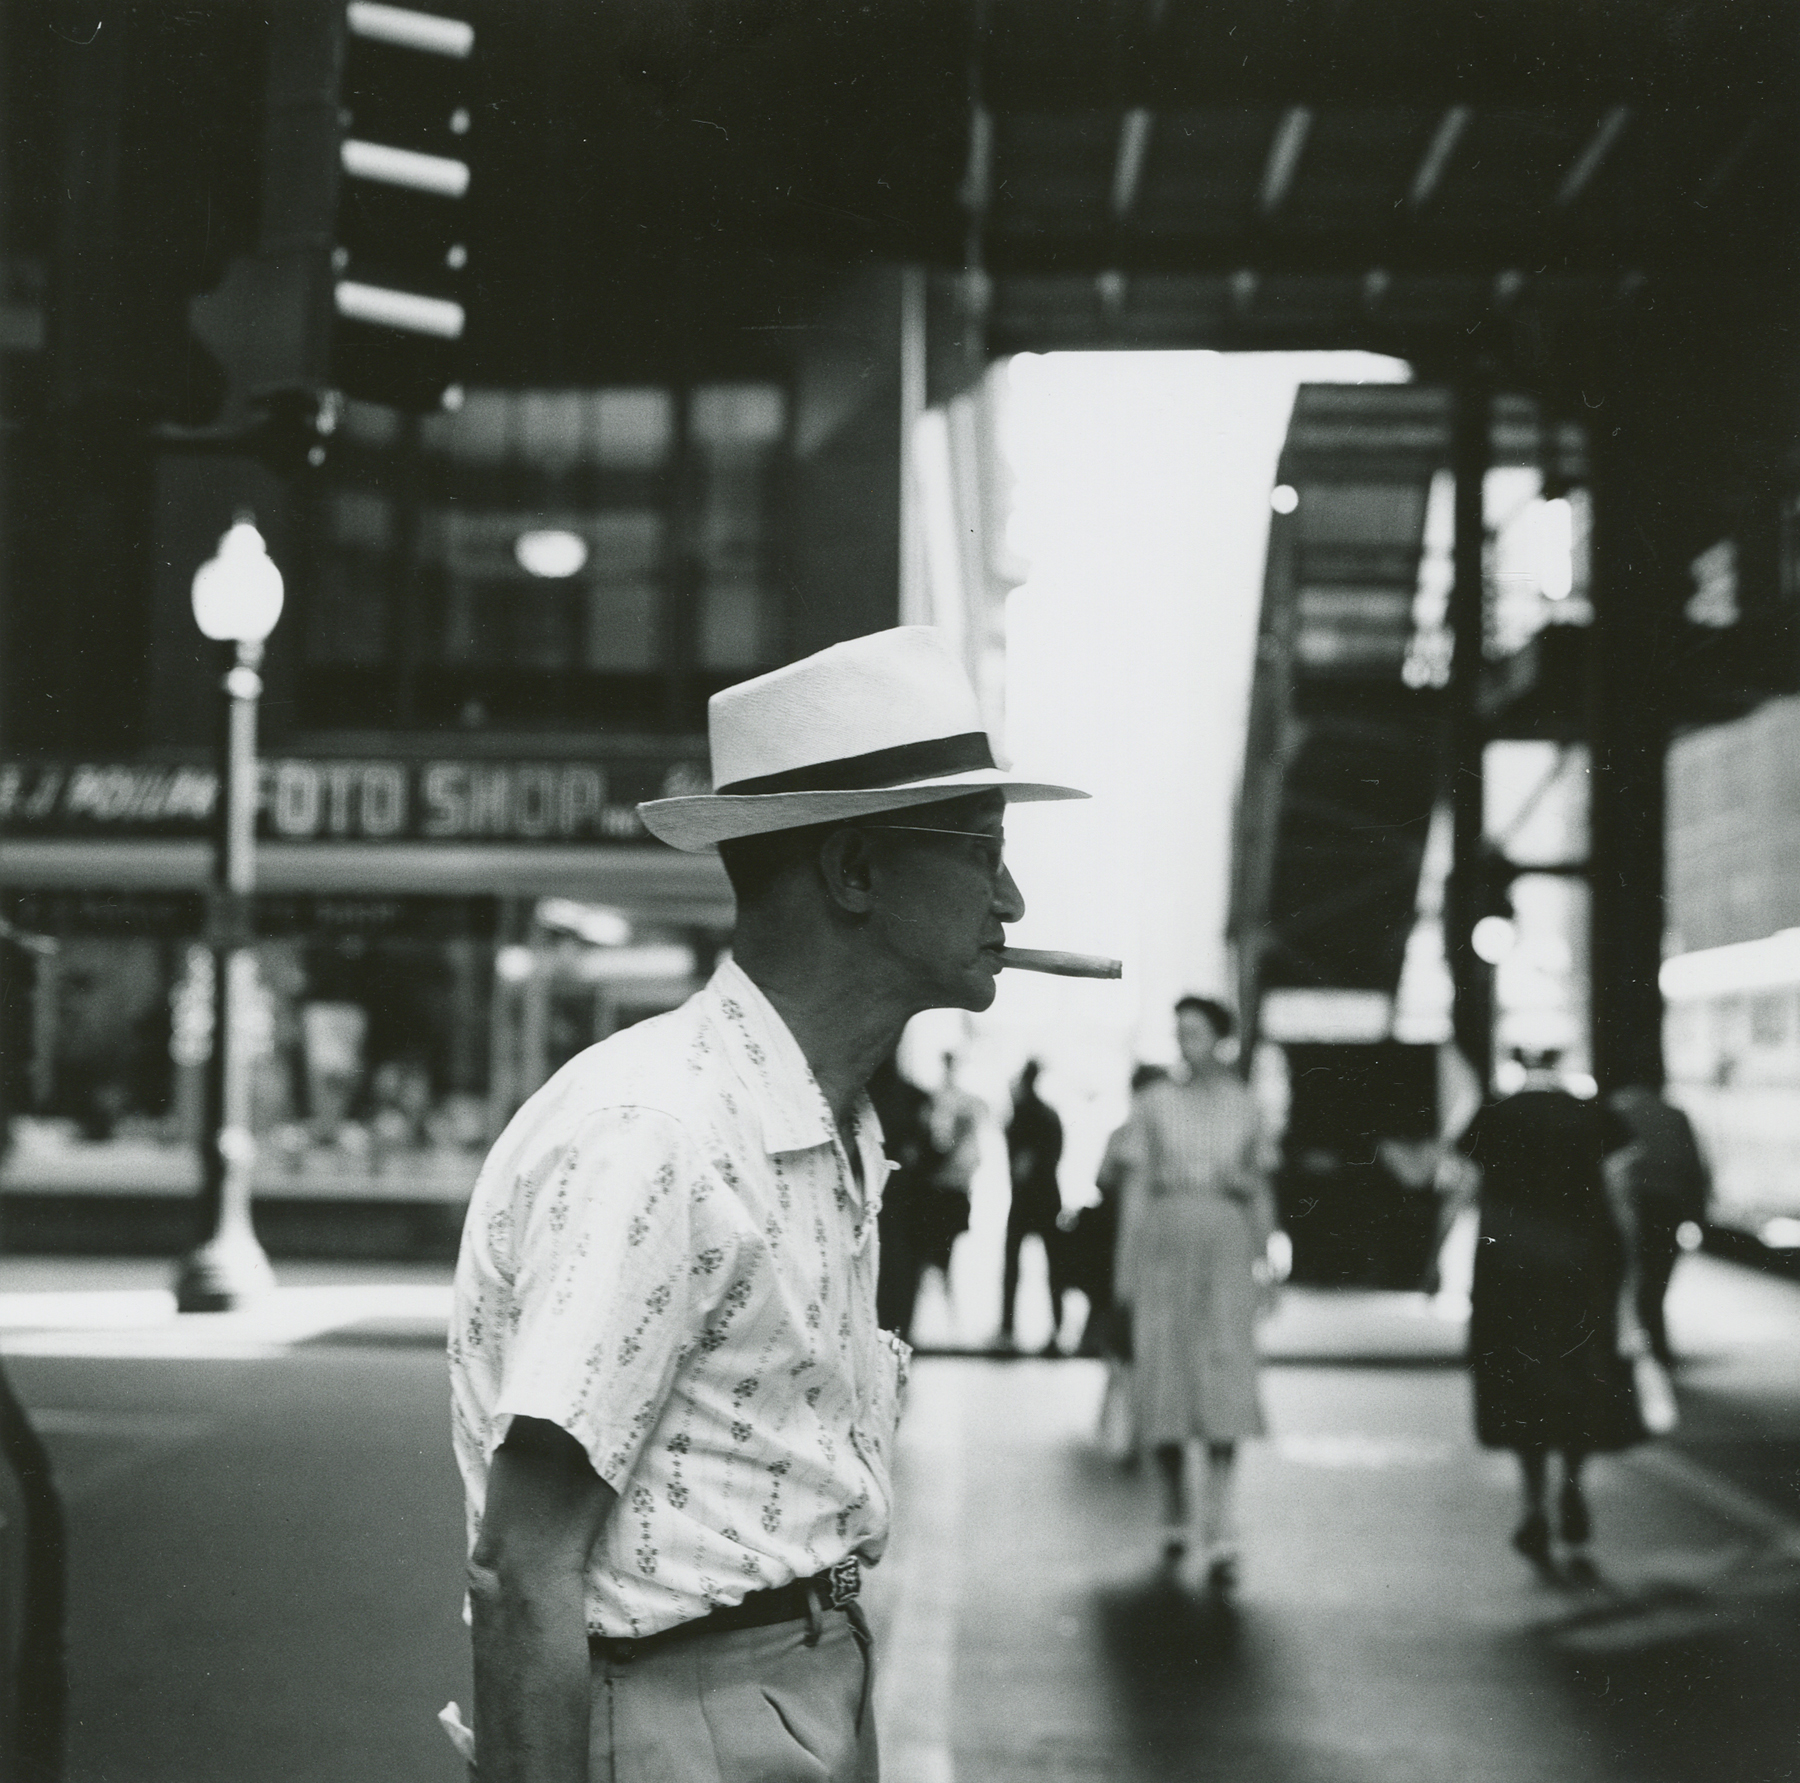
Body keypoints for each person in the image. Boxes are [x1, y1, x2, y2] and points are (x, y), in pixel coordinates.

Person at [448, 625, 1084, 1783]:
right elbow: (522, 1567)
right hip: (686, 1711)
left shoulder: (820, 1120)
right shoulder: (663, 1137)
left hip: (800, 1677)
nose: (1013, 894)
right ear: (854, 871)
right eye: (982, 848)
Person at [1457, 1051, 1643, 1572]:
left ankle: (1532, 1502)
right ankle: (1574, 1483)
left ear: (1517, 1063)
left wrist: (1430, 1264)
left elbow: (1463, 1191)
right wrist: (1631, 1279)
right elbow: (1621, 1199)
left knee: (1521, 1385)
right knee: (1578, 1379)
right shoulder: (1599, 1116)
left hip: (1506, 1271)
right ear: (1562, 1065)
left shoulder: (1491, 1114)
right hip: (1582, 1269)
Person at [1114, 997, 1276, 1593]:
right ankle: (1174, 1512)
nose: (1187, 1044)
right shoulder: (1152, 1104)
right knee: (1166, 1381)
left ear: (1222, 1040)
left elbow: (1261, 1188)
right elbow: (1133, 1191)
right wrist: (1124, 1272)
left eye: (1199, 1033)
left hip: (1227, 1248)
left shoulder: (1246, 1105)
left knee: (1225, 1380)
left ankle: (1222, 1521)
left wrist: (1267, 1262)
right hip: (1164, 1246)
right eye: (1180, 1033)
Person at [1606, 1083, 1710, 1367]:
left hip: (1630, 1201)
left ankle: (1629, 1341)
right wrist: (1697, 1215)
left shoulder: (1611, 1112)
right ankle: (1657, 1342)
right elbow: (1694, 1166)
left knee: (1628, 1272)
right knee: (1657, 1275)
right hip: (1667, 1205)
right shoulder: (1674, 1115)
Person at [1001, 1060, 1068, 1351]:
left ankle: (1008, 1327)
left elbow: (1020, 1164)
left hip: (1026, 1199)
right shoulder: (1049, 1114)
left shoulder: (1023, 1115)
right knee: (1054, 1267)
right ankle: (1057, 1328)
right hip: (1048, 1197)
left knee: (1014, 1265)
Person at [868, 1057, 936, 1341]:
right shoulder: (915, 1098)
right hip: (904, 1200)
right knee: (900, 1275)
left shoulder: (868, 1096)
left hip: (884, 1198)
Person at [920, 1052, 982, 1316]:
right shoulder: (941, 1100)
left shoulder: (959, 1103)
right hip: (945, 1185)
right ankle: (945, 1310)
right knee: (938, 1253)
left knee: (942, 1252)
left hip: (951, 1185)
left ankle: (946, 1310)